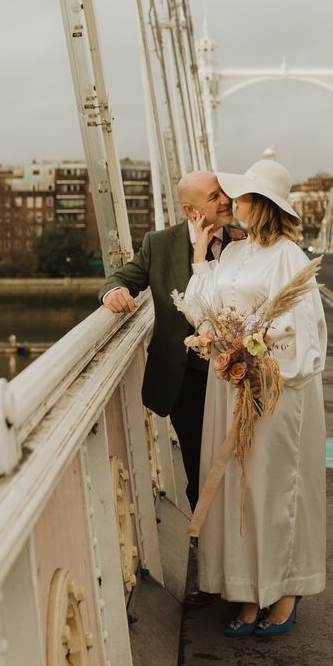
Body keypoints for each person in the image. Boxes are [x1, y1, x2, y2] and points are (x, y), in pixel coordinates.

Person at [182, 159, 327, 635]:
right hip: (229, 385)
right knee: (238, 490)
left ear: (259, 203)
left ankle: (284, 588)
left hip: (272, 390)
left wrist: (256, 359)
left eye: (240, 195)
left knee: (273, 487)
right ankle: (247, 590)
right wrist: (201, 255)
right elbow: (200, 310)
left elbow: (303, 330)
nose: (231, 201)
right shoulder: (233, 254)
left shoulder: (289, 256)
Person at [98, 171, 235, 520]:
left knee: (237, 462)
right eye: (215, 196)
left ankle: (238, 541)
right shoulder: (159, 244)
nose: (226, 200)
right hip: (184, 376)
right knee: (198, 463)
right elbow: (123, 277)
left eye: (224, 192)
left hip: (236, 374)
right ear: (191, 210)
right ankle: (206, 539)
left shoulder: (244, 241)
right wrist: (114, 291)